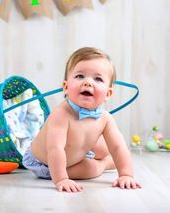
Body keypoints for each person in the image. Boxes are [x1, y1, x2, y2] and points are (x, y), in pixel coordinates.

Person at [23, 47, 141, 192]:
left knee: (105, 147)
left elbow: (118, 147)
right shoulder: (61, 114)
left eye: (98, 79)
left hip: (77, 152)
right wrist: (62, 179)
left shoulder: (105, 118)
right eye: (80, 76)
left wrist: (126, 174)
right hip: (48, 163)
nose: (88, 82)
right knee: (91, 168)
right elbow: (55, 149)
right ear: (66, 87)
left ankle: (109, 160)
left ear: (108, 94)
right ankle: (105, 164)